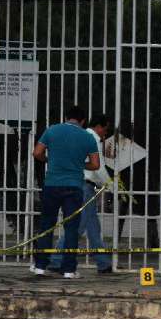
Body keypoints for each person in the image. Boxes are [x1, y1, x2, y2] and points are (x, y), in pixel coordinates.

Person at [31, 106, 100, 279]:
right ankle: (69, 269)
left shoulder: (52, 130)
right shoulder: (88, 137)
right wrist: (78, 164)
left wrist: (48, 159)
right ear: (83, 121)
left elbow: (37, 152)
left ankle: (40, 266)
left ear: (67, 117)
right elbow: (95, 164)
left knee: (46, 226)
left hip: (52, 184)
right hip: (74, 186)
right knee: (71, 228)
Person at [49, 114, 114, 274]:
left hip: (83, 185)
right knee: (77, 225)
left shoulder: (80, 137)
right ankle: (57, 261)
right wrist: (111, 185)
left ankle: (103, 263)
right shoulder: (91, 139)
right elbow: (98, 167)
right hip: (85, 185)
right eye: (105, 130)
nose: (104, 134)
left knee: (93, 226)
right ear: (98, 126)